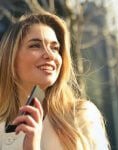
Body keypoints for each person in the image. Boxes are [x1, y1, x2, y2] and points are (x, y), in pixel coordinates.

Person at [0, 11, 110, 150]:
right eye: (35, 45)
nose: (50, 55)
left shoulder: (80, 116)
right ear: (10, 59)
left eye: (55, 48)